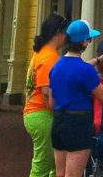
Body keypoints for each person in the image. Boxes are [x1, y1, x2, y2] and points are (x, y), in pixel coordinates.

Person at [50, 18, 103, 177]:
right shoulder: (85, 71)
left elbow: (51, 101)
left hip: (58, 121)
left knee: (60, 173)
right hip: (78, 124)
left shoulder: (56, 67)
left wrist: (97, 60)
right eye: (89, 39)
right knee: (73, 174)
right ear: (83, 42)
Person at [23, 13, 68, 177]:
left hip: (36, 113)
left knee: (51, 165)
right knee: (42, 164)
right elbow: (46, 92)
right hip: (42, 113)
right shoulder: (49, 57)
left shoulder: (41, 52)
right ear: (58, 33)